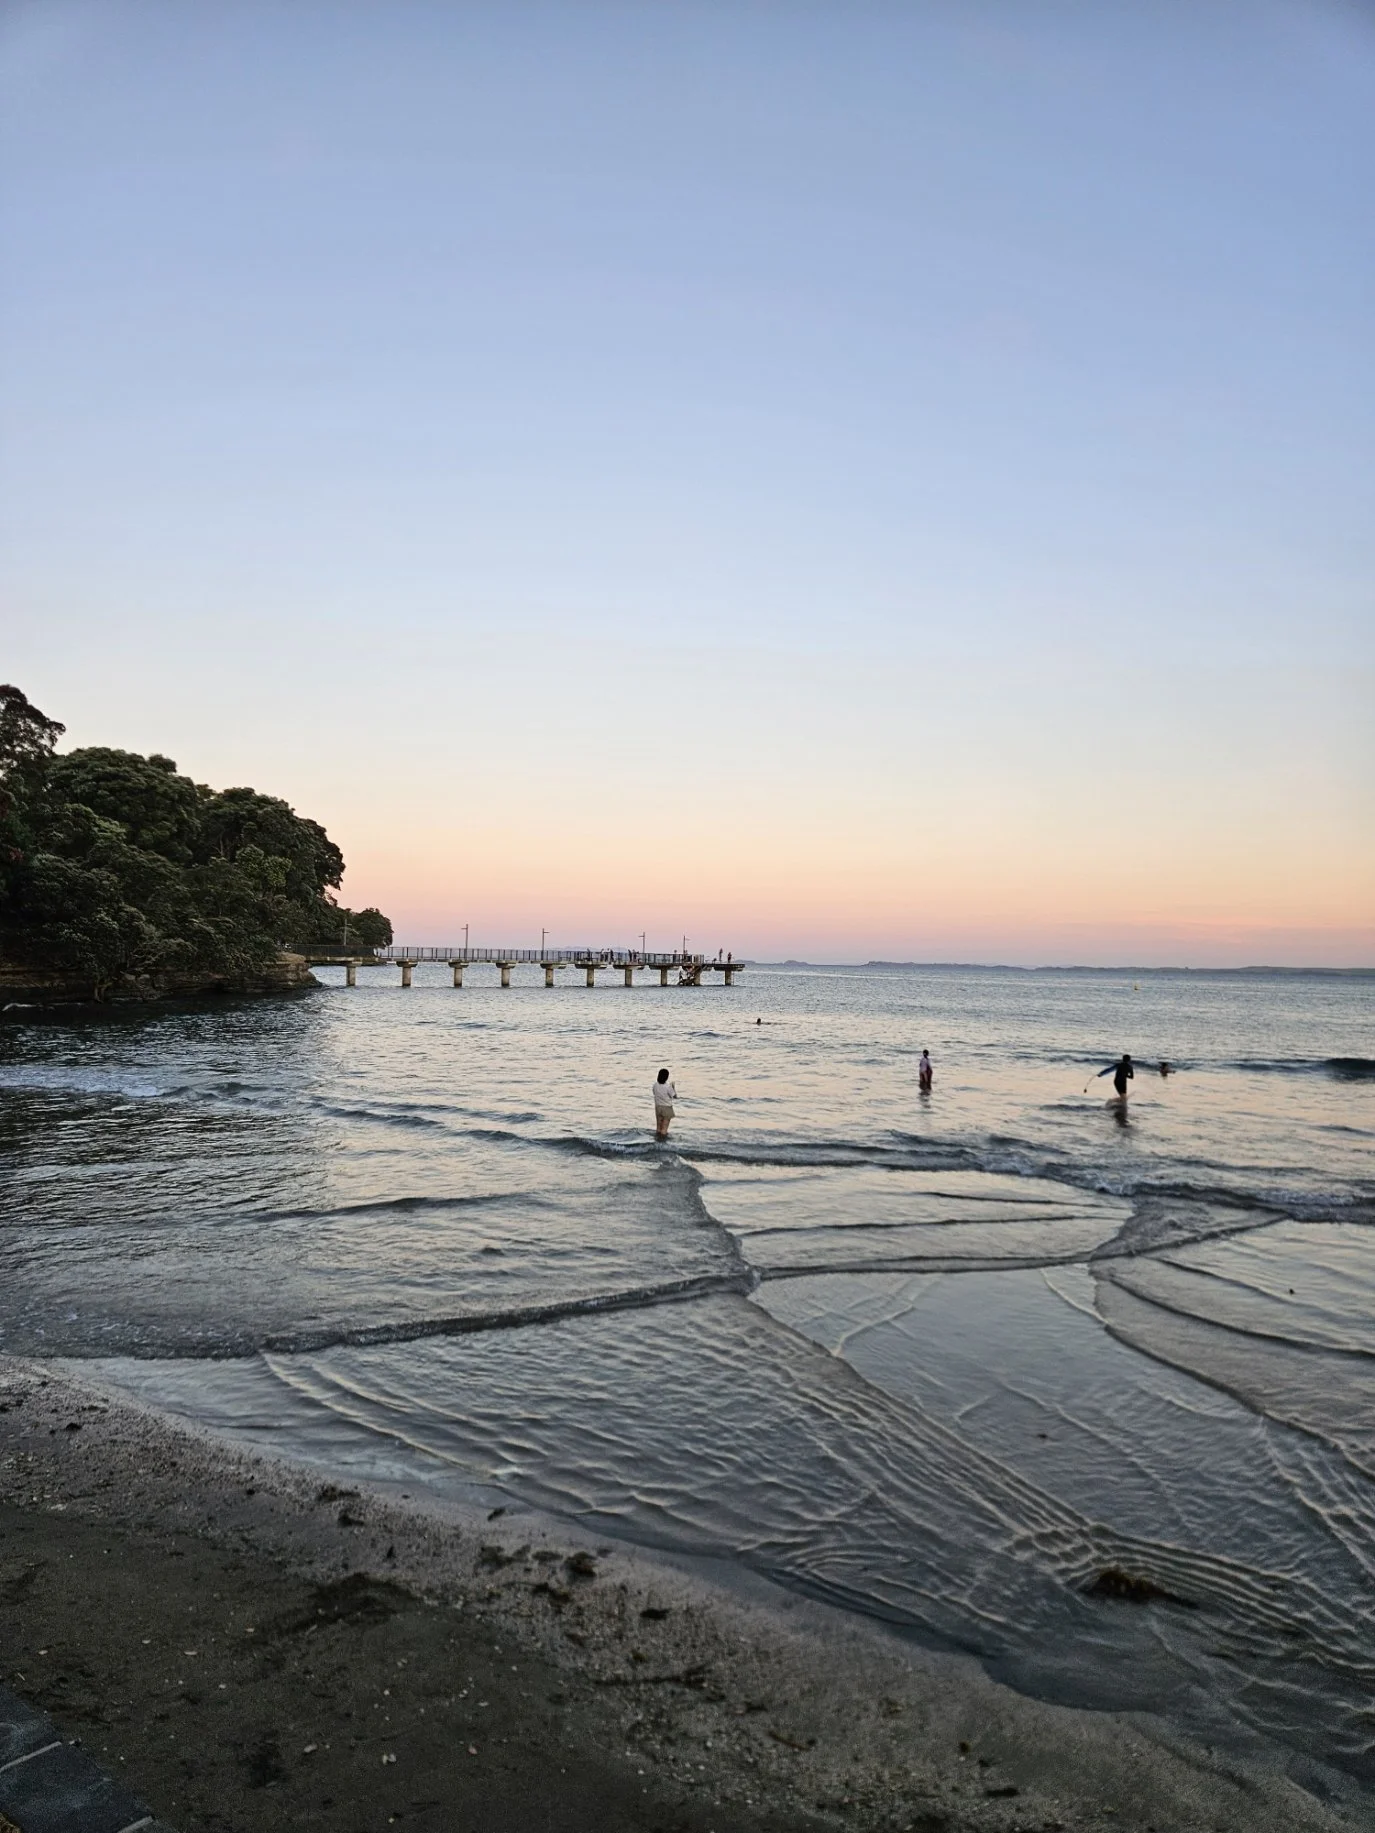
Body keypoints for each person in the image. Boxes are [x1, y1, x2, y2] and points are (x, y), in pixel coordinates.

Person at [653, 1067, 677, 1138]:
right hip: (667, 1108)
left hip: (658, 1107)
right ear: (666, 1077)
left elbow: (654, 1093)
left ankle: (657, 1139)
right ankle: (662, 1142)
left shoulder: (655, 1085)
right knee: (664, 1128)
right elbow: (674, 1096)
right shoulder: (668, 1087)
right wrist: (673, 1087)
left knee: (658, 1127)